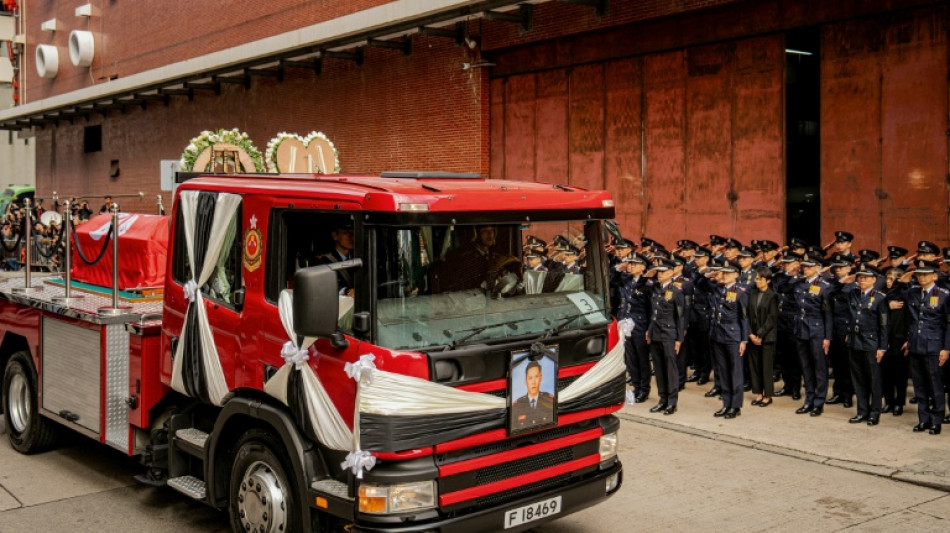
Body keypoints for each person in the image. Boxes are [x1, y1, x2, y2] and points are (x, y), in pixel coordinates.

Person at [904, 259, 950, 435]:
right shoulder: (913, 292)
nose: (922, 277)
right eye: (919, 274)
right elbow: (900, 285)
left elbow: (948, 324)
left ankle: (936, 420)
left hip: (934, 345)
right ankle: (923, 419)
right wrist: (910, 273)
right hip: (916, 344)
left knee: (935, 385)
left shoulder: (944, 295)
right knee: (919, 385)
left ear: (934, 276)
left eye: (925, 274)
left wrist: (946, 348)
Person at [703, 259, 749, 419]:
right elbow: (703, 279)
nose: (725, 275)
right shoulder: (719, 289)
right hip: (717, 334)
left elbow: (744, 318)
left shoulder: (741, 291)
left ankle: (735, 406)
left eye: (728, 273)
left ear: (736, 274)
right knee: (722, 371)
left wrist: (743, 340)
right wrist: (714, 274)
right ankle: (726, 403)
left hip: (733, 335)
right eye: (724, 272)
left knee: (735, 371)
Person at [846, 263, 888, 426]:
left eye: (866, 277)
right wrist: (851, 279)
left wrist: (882, 347)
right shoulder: (853, 294)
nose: (862, 280)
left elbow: (884, 325)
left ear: (874, 280)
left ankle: (875, 413)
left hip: (871, 343)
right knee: (858, 379)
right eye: (860, 277)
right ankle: (862, 411)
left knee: (874, 380)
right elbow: (841, 289)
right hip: (855, 342)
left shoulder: (880, 298)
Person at [793, 252, 834, 417]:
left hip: (817, 331)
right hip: (801, 329)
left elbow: (828, 314)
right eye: (804, 266)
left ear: (818, 268)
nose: (805, 269)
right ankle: (809, 399)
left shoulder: (825, 287)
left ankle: (819, 401)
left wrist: (827, 337)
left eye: (809, 267)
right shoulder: (800, 284)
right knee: (806, 366)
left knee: (820, 367)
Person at [645, 258, 686, 415]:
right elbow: (653, 314)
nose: (659, 274)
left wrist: (679, 339)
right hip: (655, 332)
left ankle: (672, 402)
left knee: (670, 368)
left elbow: (680, 317)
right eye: (658, 271)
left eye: (663, 272)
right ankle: (662, 399)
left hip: (669, 334)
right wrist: (649, 330)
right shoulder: (655, 289)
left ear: (671, 272)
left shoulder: (676, 292)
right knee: (659, 368)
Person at [617, 252, 653, 402]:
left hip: (640, 325)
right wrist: (621, 267)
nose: (630, 266)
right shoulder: (626, 280)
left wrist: (649, 329)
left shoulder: (647, 285)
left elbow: (651, 309)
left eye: (634, 264)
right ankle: (636, 386)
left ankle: (644, 389)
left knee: (642, 359)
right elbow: (612, 277)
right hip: (626, 324)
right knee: (631, 359)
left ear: (643, 267)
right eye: (629, 264)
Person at [827, 253, 856, 408]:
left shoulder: (854, 285)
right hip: (834, 327)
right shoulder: (833, 283)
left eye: (842, 267)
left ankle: (848, 395)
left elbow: (855, 311)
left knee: (847, 364)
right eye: (836, 267)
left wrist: (850, 331)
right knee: (836, 363)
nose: (838, 270)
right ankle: (837, 392)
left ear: (850, 268)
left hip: (846, 328)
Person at [748, 266, 778, 407]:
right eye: (756, 278)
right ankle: (758, 393)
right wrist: (751, 334)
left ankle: (768, 395)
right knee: (755, 366)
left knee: (766, 366)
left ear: (768, 280)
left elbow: (772, 318)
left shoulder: (772, 296)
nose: (757, 281)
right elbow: (747, 315)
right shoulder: (752, 294)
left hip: (767, 337)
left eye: (760, 279)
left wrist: (760, 334)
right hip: (753, 336)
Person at [882, 267, 909, 416]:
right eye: (887, 278)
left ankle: (899, 403)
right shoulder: (884, 296)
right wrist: (887, 306)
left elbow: (910, 320)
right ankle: (889, 402)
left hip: (900, 340)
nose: (887, 282)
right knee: (886, 373)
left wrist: (908, 338)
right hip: (885, 340)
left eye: (891, 279)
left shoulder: (904, 295)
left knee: (900, 375)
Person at [313, 220, 356, 296]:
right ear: (335, 236)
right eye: (346, 233)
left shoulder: (359, 258)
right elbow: (323, 284)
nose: (351, 236)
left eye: (353, 233)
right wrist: (346, 291)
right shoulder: (324, 260)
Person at [511, 360, 555, 430]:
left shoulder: (550, 401)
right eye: (530, 378)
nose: (533, 382)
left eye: (536, 377)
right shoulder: (517, 406)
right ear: (526, 381)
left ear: (540, 378)